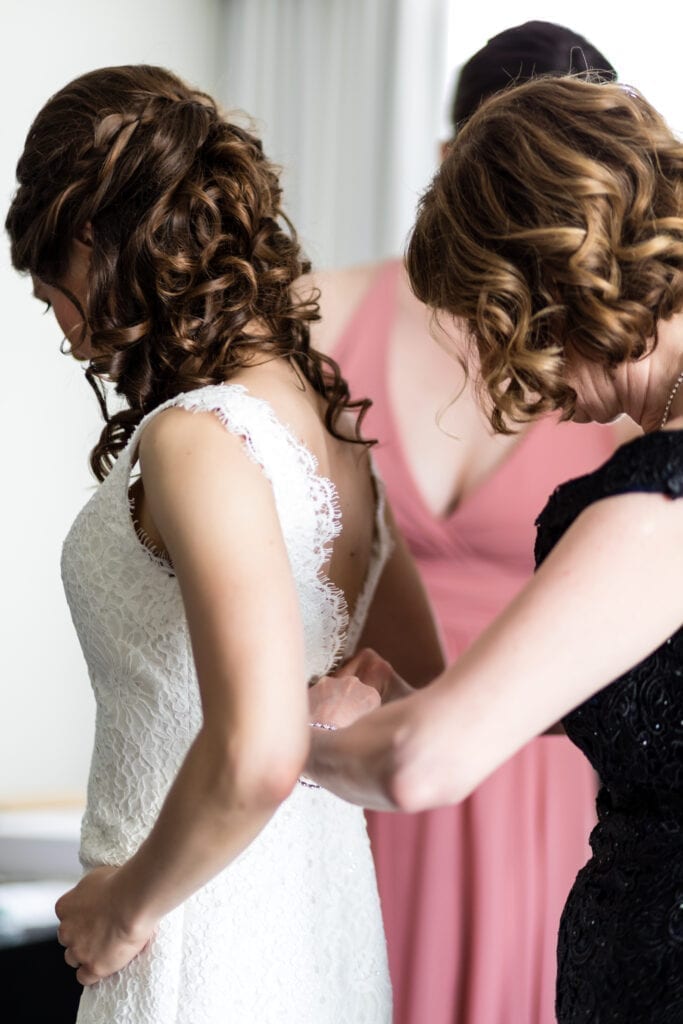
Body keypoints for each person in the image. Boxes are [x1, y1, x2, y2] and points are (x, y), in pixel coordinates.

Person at [5, 64, 444, 1023]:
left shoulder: (195, 436)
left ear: (91, 237)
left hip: (192, 928)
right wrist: (336, 699)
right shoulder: (328, 433)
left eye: (52, 297)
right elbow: (419, 680)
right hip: (319, 924)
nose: (71, 340)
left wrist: (126, 908)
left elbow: (253, 754)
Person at [306, 76, 683, 1022]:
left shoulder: (661, 502)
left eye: (493, 322)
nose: (504, 372)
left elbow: (418, 766)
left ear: (549, 289)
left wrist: (263, 744)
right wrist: (421, 699)